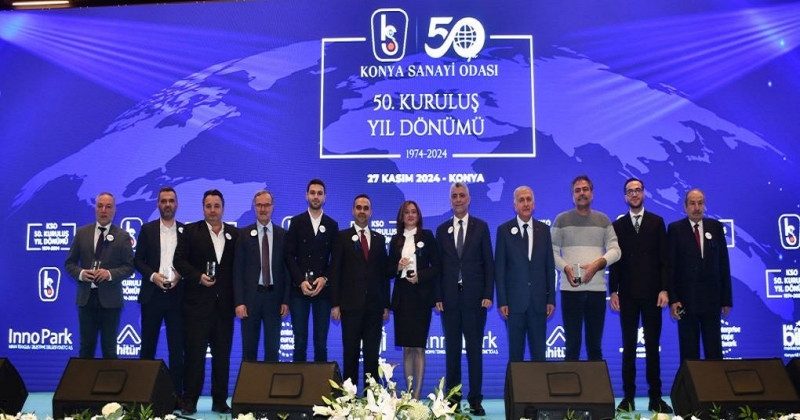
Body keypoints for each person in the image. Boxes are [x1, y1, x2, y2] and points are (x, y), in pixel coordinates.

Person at [608, 178, 672, 413]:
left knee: (653, 347)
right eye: (630, 191)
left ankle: (656, 398)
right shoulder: (618, 225)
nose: (634, 194)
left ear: (644, 193)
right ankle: (628, 398)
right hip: (627, 295)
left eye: (638, 190)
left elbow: (665, 260)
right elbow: (615, 262)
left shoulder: (657, 222)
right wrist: (613, 291)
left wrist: (665, 289)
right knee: (629, 347)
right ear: (625, 196)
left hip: (653, 294)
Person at [173, 189, 238, 415]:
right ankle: (190, 400)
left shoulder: (234, 234)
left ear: (223, 208)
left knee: (222, 357)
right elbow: (179, 261)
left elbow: (238, 269)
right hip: (196, 307)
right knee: (194, 356)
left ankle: (220, 401)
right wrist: (198, 277)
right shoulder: (190, 231)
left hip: (224, 308)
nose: (212, 210)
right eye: (208, 206)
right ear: (203, 208)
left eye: (216, 206)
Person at [435, 182, 494, 416]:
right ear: (450, 200)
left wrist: (488, 294)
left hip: (475, 300)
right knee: (452, 351)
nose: (458, 199)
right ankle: (453, 398)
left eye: (462, 195)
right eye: (454, 196)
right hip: (449, 300)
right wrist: (438, 296)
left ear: (468, 199)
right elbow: (438, 267)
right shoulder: (441, 230)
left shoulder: (481, 227)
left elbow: (489, 263)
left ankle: (476, 400)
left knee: (474, 351)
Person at [552, 175, 621, 361]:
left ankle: (595, 382)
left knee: (595, 348)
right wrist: (566, 268)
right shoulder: (561, 220)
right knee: (572, 347)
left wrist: (597, 265)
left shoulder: (603, 220)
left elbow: (616, 251)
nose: (581, 193)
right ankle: (571, 381)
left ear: (592, 193)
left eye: (585, 189)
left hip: (596, 291)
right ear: (572, 195)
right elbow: (551, 252)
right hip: (570, 290)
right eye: (577, 190)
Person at [329, 194, 389, 387]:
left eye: (365, 208)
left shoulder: (379, 239)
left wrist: (385, 305)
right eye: (358, 207)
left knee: (372, 355)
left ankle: (371, 396)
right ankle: (350, 397)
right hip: (350, 306)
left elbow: (383, 275)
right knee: (350, 353)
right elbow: (335, 271)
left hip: (374, 307)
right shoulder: (341, 237)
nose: (362, 211)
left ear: (371, 212)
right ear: (353, 211)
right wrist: (335, 304)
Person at [65, 192, 134, 359]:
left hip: (111, 302)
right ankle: (83, 378)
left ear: (114, 210)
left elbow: (129, 267)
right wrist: (82, 273)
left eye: (108, 207)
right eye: (100, 206)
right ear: (95, 208)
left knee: (109, 350)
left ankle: (109, 378)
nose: (104, 210)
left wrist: (109, 274)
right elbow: (69, 263)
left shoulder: (123, 236)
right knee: (85, 348)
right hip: (86, 300)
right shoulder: (82, 233)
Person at [134, 186, 185, 409]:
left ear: (177, 204)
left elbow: (190, 261)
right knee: (147, 348)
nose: (167, 204)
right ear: (158, 204)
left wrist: (180, 275)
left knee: (177, 350)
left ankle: (176, 396)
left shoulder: (185, 231)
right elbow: (138, 261)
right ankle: (142, 396)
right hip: (152, 296)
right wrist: (153, 276)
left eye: (171, 201)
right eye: (163, 201)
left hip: (177, 298)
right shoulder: (147, 230)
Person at [668, 188, 732, 361]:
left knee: (714, 352)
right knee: (689, 355)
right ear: (685, 206)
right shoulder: (675, 229)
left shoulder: (716, 227)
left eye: (700, 203)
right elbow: (670, 267)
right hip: (685, 301)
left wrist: (726, 299)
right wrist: (673, 299)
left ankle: (716, 381)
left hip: (712, 300)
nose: (696, 207)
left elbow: (723, 264)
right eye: (692, 203)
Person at [494, 186, 555, 362]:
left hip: (539, 303)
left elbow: (549, 267)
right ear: (515, 205)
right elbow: (500, 269)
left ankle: (539, 383)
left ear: (534, 204)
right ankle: (514, 383)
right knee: (515, 356)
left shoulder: (544, 230)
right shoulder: (504, 230)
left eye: (529, 199)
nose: (525, 203)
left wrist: (551, 299)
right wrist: (502, 301)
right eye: (521, 200)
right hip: (514, 305)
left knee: (539, 356)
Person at [388, 200, 440, 400]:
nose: (410, 215)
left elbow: (437, 266)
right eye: (406, 212)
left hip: (421, 297)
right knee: (407, 348)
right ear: (401, 217)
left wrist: (420, 276)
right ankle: (409, 394)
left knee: (418, 348)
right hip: (402, 297)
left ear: (418, 216)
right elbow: (387, 270)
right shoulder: (395, 240)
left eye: (413, 212)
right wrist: (398, 267)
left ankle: (417, 395)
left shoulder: (427, 236)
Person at [284, 179, 339, 362]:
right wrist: (300, 281)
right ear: (306, 196)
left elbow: (336, 260)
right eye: (312, 193)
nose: (316, 196)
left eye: (319, 193)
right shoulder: (296, 222)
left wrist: (325, 279)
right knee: (299, 342)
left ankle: (321, 381)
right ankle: (298, 381)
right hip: (299, 290)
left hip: (323, 291)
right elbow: (289, 255)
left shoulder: (332, 225)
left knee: (321, 344)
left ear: (325, 197)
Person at [233, 190, 290, 362]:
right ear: (254, 207)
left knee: (272, 350)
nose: (263, 209)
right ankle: (249, 381)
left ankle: (270, 381)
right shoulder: (243, 235)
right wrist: (239, 302)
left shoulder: (283, 235)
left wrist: (286, 300)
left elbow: (287, 271)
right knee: (249, 350)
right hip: (250, 300)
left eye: (266, 205)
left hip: (274, 299)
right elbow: (237, 270)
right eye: (259, 205)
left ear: (272, 207)